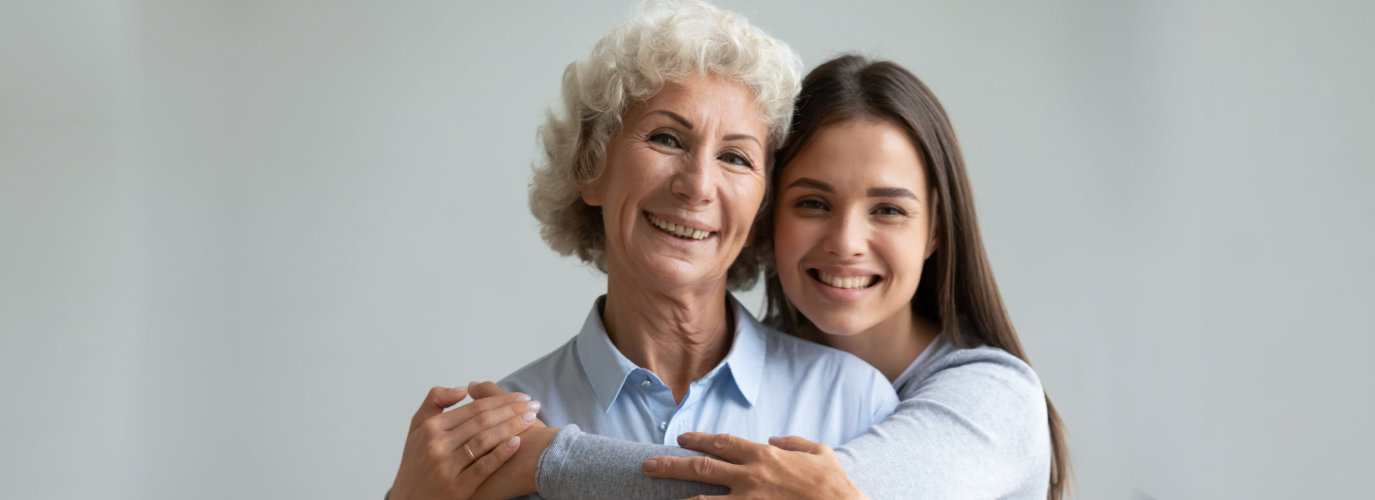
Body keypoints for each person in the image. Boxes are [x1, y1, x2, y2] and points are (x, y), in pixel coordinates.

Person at [461, 55, 1072, 499]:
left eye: (887, 209)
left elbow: (798, 494)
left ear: (937, 229)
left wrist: (549, 459)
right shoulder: (519, 401)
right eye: (811, 203)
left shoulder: (992, 397)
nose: (845, 243)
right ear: (766, 214)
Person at [385, 3, 899, 500]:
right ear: (590, 167)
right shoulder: (496, 437)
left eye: (735, 157)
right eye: (667, 139)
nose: (697, 186)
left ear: (761, 206)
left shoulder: (853, 402)